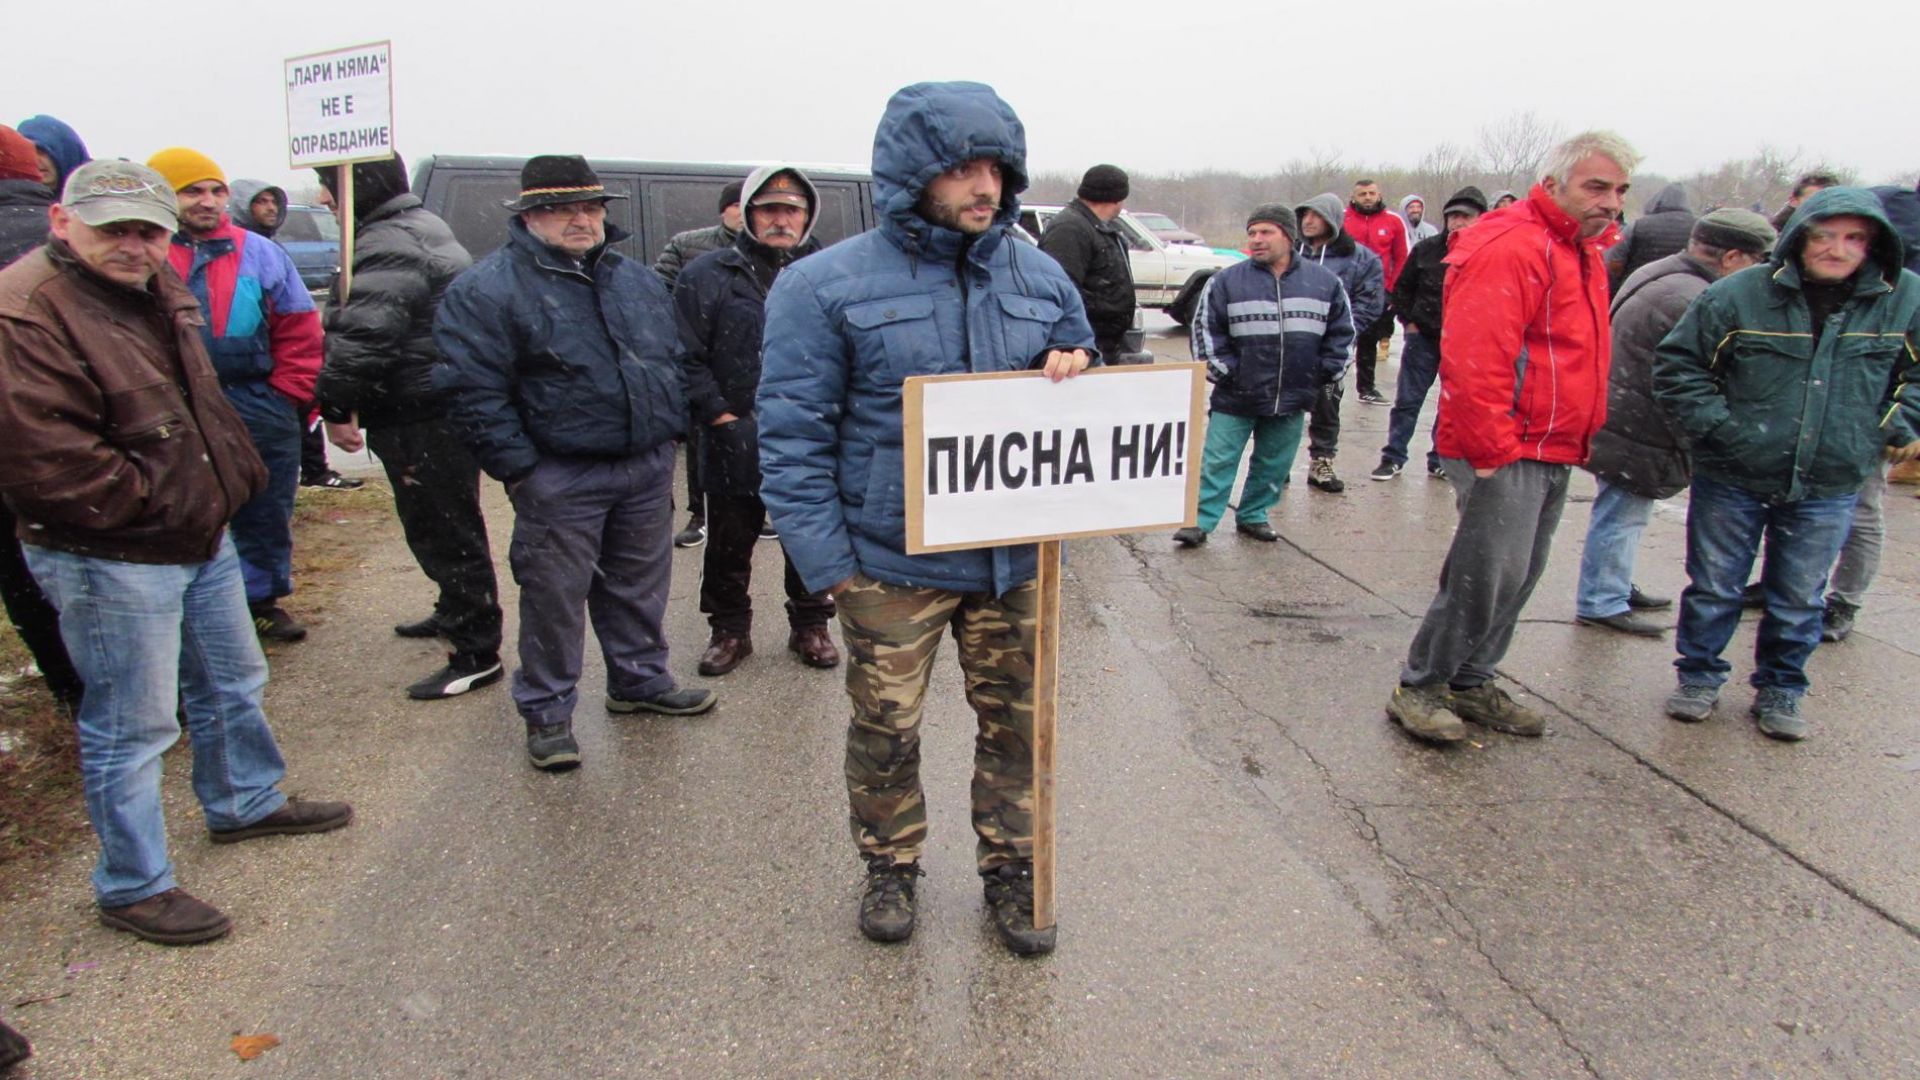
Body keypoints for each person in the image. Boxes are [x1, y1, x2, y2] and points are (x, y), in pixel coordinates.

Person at [758, 81, 1094, 956]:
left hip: (1015, 564)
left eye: (997, 167)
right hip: (888, 565)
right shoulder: (821, 284)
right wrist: (831, 569)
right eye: (962, 168)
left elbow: (1085, 354)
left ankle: (1013, 872)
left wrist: (1079, 357)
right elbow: (791, 439)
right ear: (913, 175)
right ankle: (889, 863)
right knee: (885, 731)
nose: (985, 185)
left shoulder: (1038, 270)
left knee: (1021, 729)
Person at [0, 160, 352, 945]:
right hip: (111, 548)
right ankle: (132, 883)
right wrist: (155, 509)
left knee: (233, 677)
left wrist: (228, 481)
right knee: (133, 721)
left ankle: (243, 801)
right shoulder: (25, 311)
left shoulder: (158, 288)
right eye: (112, 228)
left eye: (146, 230)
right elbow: (43, 458)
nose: (133, 244)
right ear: (63, 222)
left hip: (197, 529)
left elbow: (199, 407)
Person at [434, 155, 716, 771]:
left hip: (642, 465)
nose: (581, 219)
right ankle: (548, 713)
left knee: (640, 586)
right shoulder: (487, 290)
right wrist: (522, 470)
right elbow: (471, 391)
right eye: (563, 208)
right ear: (530, 215)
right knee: (554, 597)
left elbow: (668, 359)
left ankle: (639, 682)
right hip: (559, 473)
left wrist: (667, 436)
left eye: (590, 207)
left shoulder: (634, 280)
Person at [1385, 132, 1638, 745]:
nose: (1610, 201)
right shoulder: (1513, 244)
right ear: (1554, 184)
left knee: (1520, 573)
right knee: (1483, 574)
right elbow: (1476, 357)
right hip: (1509, 442)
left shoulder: (1581, 250)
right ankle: (1421, 686)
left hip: (1554, 441)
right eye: (1596, 186)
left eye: (1620, 190)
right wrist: (1491, 446)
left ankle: (1472, 681)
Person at [1653, 188, 1920, 741]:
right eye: (1823, 235)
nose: (1836, 248)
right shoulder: (1739, 295)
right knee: (1714, 586)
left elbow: (1915, 379)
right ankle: (1699, 675)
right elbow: (1680, 364)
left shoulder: (1905, 300)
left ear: (1873, 245)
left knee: (1799, 594)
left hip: (1831, 478)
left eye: (1853, 238)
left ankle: (1782, 687)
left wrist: (1891, 425)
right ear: (1799, 235)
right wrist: (1721, 429)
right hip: (1733, 474)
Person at [313, 155, 502, 700]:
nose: (326, 201)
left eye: (330, 188)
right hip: (425, 404)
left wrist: (333, 405)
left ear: (358, 186)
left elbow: (367, 334)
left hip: (421, 410)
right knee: (441, 522)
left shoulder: (390, 239)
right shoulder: (408, 226)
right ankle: (453, 610)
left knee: (444, 528)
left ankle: (475, 649)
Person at [147, 147, 323, 643]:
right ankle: (187, 610)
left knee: (265, 506)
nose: (208, 201)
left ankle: (260, 600)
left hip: (255, 400)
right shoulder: (149, 252)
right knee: (182, 504)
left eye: (216, 190)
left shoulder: (262, 252)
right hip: (173, 404)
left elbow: (300, 330)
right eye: (192, 191)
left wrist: (286, 396)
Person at [1575, 210, 1776, 637]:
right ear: (1733, 257)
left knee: (1621, 511)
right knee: (1621, 515)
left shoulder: (1664, 272)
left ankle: (1613, 585)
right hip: (1641, 421)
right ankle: (1602, 598)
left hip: (1626, 411)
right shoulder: (1691, 296)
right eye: (1758, 260)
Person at [673, 165, 838, 676]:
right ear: (747, 214)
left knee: (807, 536)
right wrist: (721, 414)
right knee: (728, 541)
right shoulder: (707, 275)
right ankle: (728, 631)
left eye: (792, 209)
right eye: (769, 209)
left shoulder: (832, 271)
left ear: (807, 215)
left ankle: (811, 624)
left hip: (813, 435)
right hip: (732, 434)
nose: (781, 219)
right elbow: (683, 354)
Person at [1176, 203, 1355, 546]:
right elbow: (1205, 333)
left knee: (1274, 463)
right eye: (1252, 233)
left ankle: (1254, 515)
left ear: (1288, 236)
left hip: (1294, 395)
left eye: (1265, 232)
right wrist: (1228, 373)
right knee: (1217, 460)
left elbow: (1342, 334)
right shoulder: (1225, 282)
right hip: (1236, 394)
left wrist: (1323, 374)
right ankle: (1200, 522)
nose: (1256, 240)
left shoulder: (1324, 283)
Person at [0, 125, 83, 709]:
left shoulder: (73, 235)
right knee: (99, 560)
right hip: (79, 431)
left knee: (21, 571)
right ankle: (136, 690)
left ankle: (73, 691)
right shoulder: (71, 236)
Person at [1817, 183, 1920, 643]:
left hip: (1871, 413)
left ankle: (1845, 599)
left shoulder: (1907, 291)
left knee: (1861, 509)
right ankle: (1800, 589)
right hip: (1820, 404)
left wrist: (1900, 422)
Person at [1373, 186, 1487, 482]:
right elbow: (1403, 287)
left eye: (1466, 217)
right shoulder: (1427, 250)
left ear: (1481, 219)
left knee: (1450, 403)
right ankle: (1393, 456)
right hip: (1423, 336)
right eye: (1453, 216)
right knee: (1408, 400)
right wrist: (1409, 322)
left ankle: (1439, 458)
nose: (1458, 222)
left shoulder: (1489, 254)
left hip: (1465, 342)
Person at [657, 179, 745, 551]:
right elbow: (659, 291)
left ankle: (767, 510)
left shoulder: (787, 249)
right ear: (724, 209)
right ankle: (700, 515)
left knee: (765, 444)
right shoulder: (688, 245)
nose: (746, 213)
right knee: (703, 445)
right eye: (738, 205)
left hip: (757, 363)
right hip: (706, 361)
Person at [1293, 192, 1384, 495]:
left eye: (1315, 215)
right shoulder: (1289, 253)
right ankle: (1275, 466)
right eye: (1304, 215)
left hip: (1330, 349)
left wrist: (1341, 336)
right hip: (1289, 347)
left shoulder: (1361, 258)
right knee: (1279, 409)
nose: (1308, 221)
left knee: (1327, 405)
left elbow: (1369, 302)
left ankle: (1322, 461)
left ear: (1331, 220)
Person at [1039, 164, 1137, 365]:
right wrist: (1077, 341)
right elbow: (1060, 292)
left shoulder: (1097, 227)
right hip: (1079, 350)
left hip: (1102, 345)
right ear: (1117, 198)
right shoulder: (1069, 229)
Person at [1343, 179, 1408, 382]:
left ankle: (1367, 386)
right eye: (1363, 194)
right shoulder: (1342, 220)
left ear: (1379, 195)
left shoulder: (1393, 221)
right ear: (1353, 197)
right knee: (1340, 339)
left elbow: (1402, 258)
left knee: (1369, 339)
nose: (1368, 197)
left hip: (1378, 290)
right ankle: (1331, 389)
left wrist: (1392, 289)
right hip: (1346, 290)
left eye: (1372, 193)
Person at [1605, 182, 1695, 294]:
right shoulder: (1697, 228)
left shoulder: (1638, 225)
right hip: (1684, 292)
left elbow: (1614, 261)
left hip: (1638, 289)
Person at [15, 115, 89, 194]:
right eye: (27, 152)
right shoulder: (10, 200)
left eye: (42, 151)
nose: (35, 159)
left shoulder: (98, 198)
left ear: (67, 152)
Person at [1770, 171, 1841, 232]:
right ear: (1794, 201)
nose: (1820, 207)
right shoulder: (1772, 239)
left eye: (1826, 202)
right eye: (1813, 201)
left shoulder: (1845, 235)